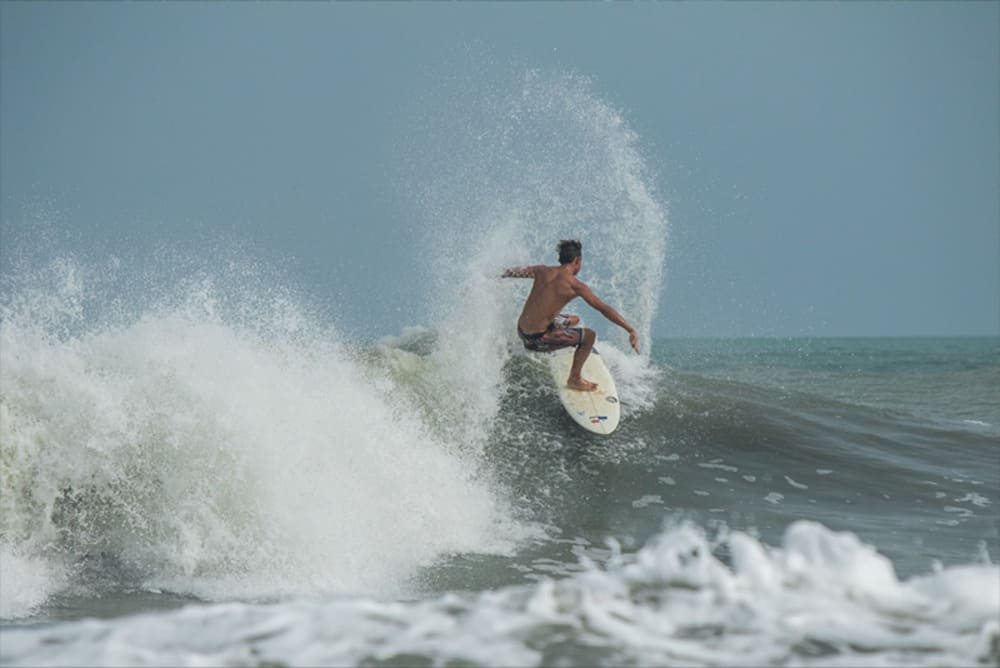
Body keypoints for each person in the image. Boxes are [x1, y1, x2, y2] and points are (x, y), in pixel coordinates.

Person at [502, 239, 639, 392]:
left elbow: (511, 272)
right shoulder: (575, 285)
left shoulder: (541, 270)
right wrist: (630, 330)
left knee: (574, 319)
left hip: (521, 331)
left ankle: (561, 334)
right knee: (589, 336)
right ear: (577, 260)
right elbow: (604, 309)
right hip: (536, 340)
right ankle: (574, 379)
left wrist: (488, 275)